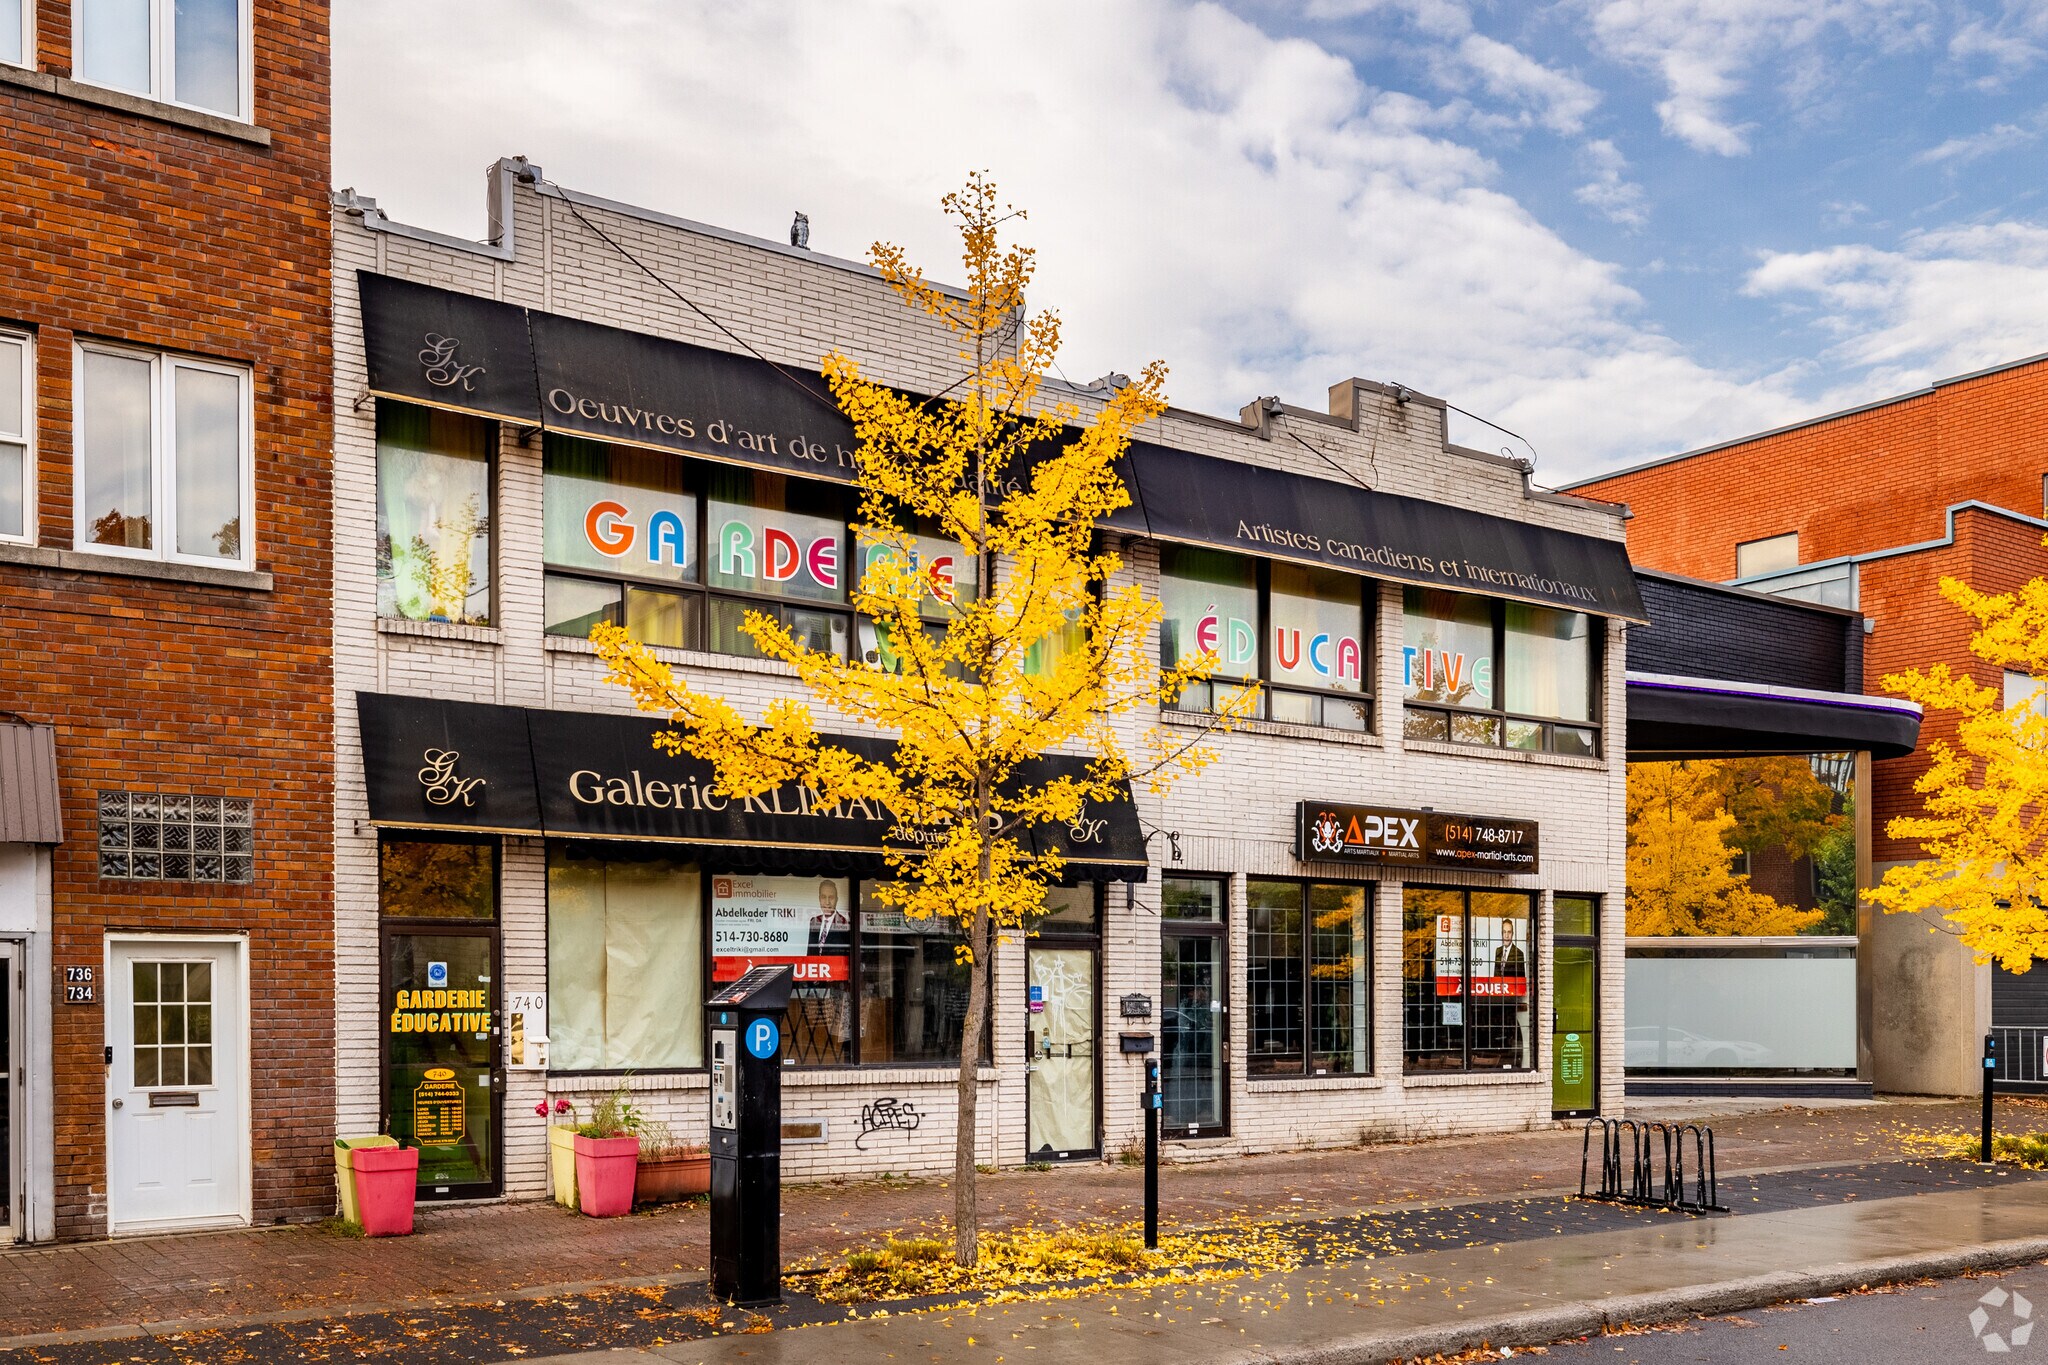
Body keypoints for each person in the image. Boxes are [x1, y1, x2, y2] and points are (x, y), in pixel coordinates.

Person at [807, 879, 851, 954]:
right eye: (823, 897)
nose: (827, 902)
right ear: (819, 899)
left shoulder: (844, 923)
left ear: (836, 900)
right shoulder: (814, 921)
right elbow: (810, 952)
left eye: (831, 897)